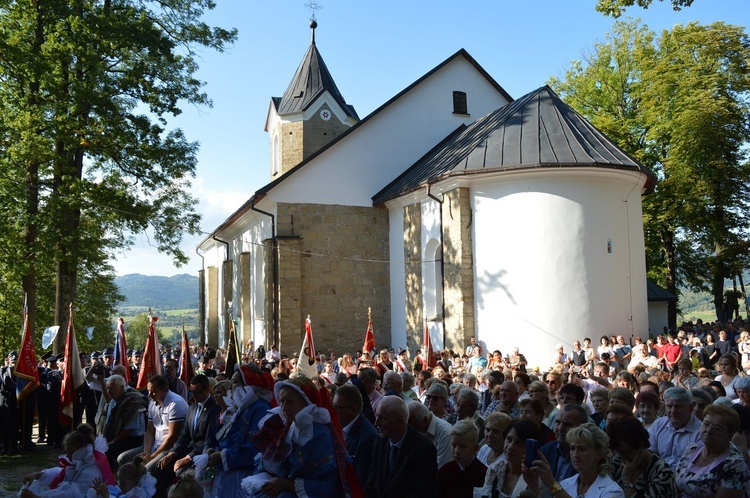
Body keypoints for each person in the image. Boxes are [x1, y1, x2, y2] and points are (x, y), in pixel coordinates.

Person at [247, 376, 357, 498]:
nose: (284, 408)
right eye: (282, 401)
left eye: (290, 401)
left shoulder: (320, 435)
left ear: (306, 403)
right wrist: (271, 483)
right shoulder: (286, 429)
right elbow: (271, 465)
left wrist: (287, 485)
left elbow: (329, 487)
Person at [206, 363, 274, 498]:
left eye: (235, 382)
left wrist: (222, 456)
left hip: (244, 473)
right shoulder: (241, 408)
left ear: (248, 384)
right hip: (230, 470)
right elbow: (230, 438)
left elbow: (256, 448)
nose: (231, 388)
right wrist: (216, 450)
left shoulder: (259, 408)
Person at [155, 374, 220, 495]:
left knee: (181, 473)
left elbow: (208, 440)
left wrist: (187, 457)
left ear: (207, 390)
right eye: (192, 392)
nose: (193, 396)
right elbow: (184, 436)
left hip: (201, 454)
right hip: (188, 449)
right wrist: (172, 453)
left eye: (197, 392)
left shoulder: (214, 409)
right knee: (161, 465)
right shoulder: (192, 408)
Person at [365, 395, 437, 498]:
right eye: (377, 416)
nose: (377, 423)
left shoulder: (424, 449)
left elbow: (420, 492)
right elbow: (371, 484)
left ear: (399, 422)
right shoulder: (379, 442)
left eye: (382, 418)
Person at [526, 422, 624, 498]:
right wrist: (534, 486)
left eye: (582, 449)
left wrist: (552, 484)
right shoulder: (565, 484)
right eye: (572, 448)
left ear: (598, 454)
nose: (575, 455)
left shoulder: (613, 491)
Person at [675, 403, 750, 497]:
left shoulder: (735, 465)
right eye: (706, 424)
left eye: (717, 428)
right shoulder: (692, 449)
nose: (709, 430)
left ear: (729, 435)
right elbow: (675, 487)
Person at [21, 429, 114, 498]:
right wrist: (39, 474)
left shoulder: (92, 472)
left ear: (82, 450)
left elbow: (70, 494)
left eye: (71, 452)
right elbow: (62, 472)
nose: (68, 456)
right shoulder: (82, 462)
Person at [606, 417, 676, 497]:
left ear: (641, 446)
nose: (623, 457)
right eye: (619, 453)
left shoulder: (662, 473)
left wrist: (627, 481)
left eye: (628, 452)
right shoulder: (618, 460)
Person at [333, 383, 378, 487]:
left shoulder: (368, 438)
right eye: (332, 406)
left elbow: (360, 481)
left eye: (337, 407)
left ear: (354, 410)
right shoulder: (335, 427)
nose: (333, 411)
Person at [102, 374, 149, 472]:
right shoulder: (113, 401)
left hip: (132, 439)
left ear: (122, 387)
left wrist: (113, 442)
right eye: (107, 389)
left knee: (108, 451)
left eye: (112, 388)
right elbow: (108, 423)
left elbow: (129, 429)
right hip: (117, 436)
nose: (109, 392)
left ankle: (115, 479)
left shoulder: (134, 402)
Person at [482, 419, 540, 497]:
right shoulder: (494, 469)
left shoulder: (536, 479)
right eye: (509, 439)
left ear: (530, 448)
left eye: (518, 443)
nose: (510, 447)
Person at [647, 387, 701, 469]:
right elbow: (650, 454)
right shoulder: (658, 424)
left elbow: (695, 464)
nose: (673, 411)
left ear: (691, 407)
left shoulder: (701, 431)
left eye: (678, 407)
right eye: (669, 406)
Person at [539, 404, 589, 484]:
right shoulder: (546, 451)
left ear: (582, 427)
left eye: (567, 424)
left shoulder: (588, 457)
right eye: (558, 422)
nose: (560, 428)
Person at [436, 420, 486, 498]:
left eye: (463, 447)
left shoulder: (483, 475)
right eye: (454, 445)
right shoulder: (445, 470)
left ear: (475, 448)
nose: (457, 451)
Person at [407, 399, 453, 468]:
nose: (411, 431)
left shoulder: (445, 433)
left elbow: (442, 467)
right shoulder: (419, 427)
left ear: (425, 420)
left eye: (414, 427)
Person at [89, 456, 158, 498]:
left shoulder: (138, 495)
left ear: (135, 483)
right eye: (119, 481)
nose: (119, 485)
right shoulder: (123, 490)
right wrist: (99, 493)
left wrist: (107, 496)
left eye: (124, 483)